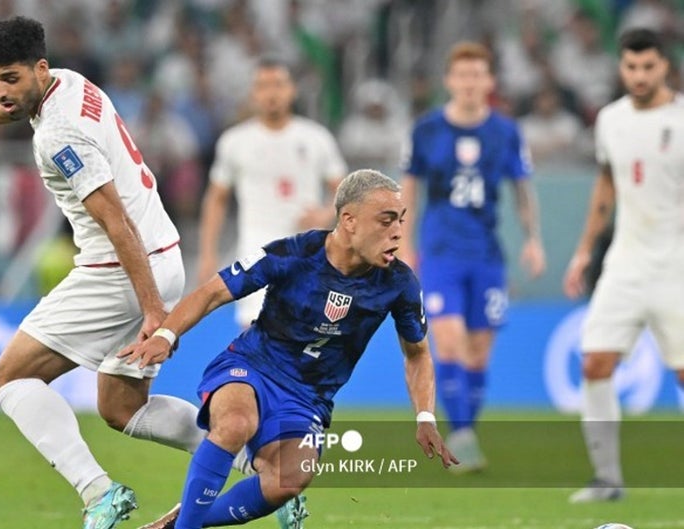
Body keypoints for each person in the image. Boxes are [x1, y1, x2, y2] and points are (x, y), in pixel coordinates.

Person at [0, 16, 207, 529]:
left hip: (120, 271)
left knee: (10, 377)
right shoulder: (68, 83)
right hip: (161, 257)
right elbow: (0, 107)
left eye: (10, 78)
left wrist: (155, 311)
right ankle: (255, 459)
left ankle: (99, 493)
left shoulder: (60, 135)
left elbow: (115, 221)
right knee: (122, 408)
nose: (1, 91)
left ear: (39, 69)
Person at [121, 169, 458, 529]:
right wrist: (166, 334)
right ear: (349, 220)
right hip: (253, 366)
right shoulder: (294, 253)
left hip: (308, 397)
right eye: (386, 220)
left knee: (290, 479)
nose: (398, 232)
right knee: (235, 424)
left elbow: (418, 353)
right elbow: (213, 292)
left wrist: (425, 417)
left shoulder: (399, 284)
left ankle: (180, 521)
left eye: (401, 221)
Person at [399, 41, 546, 471]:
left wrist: (533, 238)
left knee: (479, 352)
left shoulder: (505, 131)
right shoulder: (427, 129)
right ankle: (461, 435)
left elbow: (522, 190)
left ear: (489, 81)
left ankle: (467, 430)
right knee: (447, 340)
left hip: (486, 256)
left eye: (477, 75)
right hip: (440, 253)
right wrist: (403, 243)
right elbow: (410, 189)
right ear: (449, 81)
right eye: (462, 75)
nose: (469, 83)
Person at [562, 27, 684, 504]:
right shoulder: (611, 120)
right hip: (626, 263)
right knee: (595, 361)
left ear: (664, 66)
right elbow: (607, 186)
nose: (639, 75)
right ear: (621, 68)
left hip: (676, 265)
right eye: (631, 67)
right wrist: (583, 251)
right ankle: (607, 479)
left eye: (648, 66)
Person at [197, 56, 347, 329]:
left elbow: (345, 191)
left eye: (278, 84)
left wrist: (327, 213)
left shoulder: (316, 138)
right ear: (253, 93)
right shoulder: (235, 142)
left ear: (292, 90)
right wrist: (208, 253)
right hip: (256, 251)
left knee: (307, 336)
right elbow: (217, 199)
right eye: (263, 86)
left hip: (308, 252)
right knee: (255, 332)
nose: (271, 93)